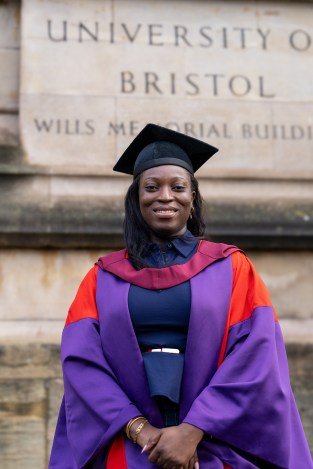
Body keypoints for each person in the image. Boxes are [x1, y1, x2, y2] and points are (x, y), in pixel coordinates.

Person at [49, 124, 312, 469]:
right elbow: (83, 363)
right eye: (151, 187)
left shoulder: (232, 268)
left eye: (178, 187)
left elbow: (257, 354)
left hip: (216, 440)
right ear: (136, 198)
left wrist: (192, 430)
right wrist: (143, 433)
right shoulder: (102, 277)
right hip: (131, 443)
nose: (165, 196)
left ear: (192, 197)